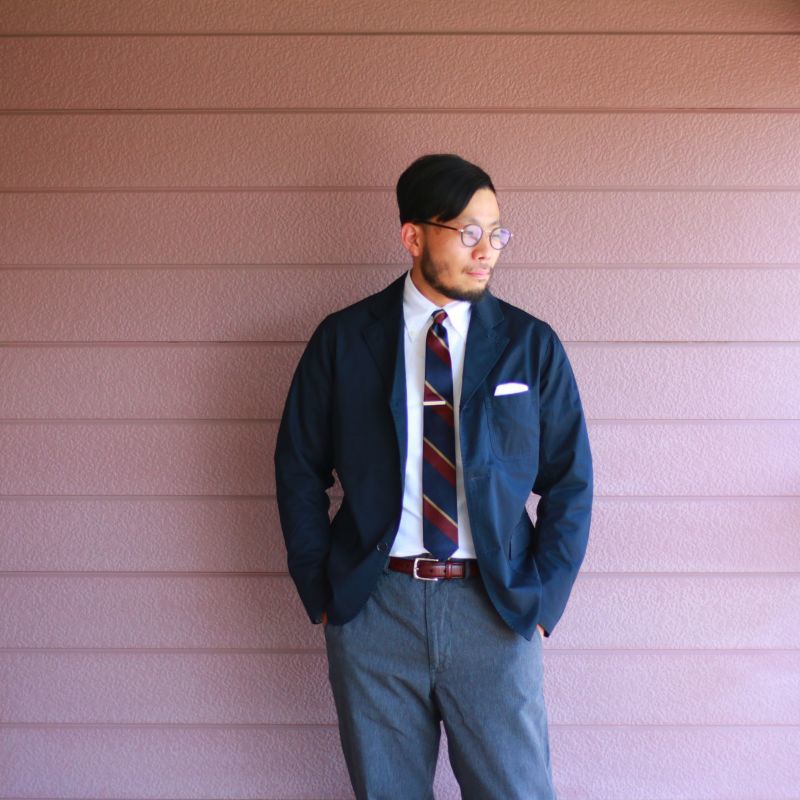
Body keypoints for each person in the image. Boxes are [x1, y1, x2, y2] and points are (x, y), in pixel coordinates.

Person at [274, 153, 593, 799]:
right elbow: (299, 466)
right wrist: (324, 589)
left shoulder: (530, 344)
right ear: (413, 236)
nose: (487, 249)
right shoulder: (344, 340)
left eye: (496, 232)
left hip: (494, 609)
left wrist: (542, 599)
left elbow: (570, 480)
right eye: (468, 231)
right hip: (375, 609)